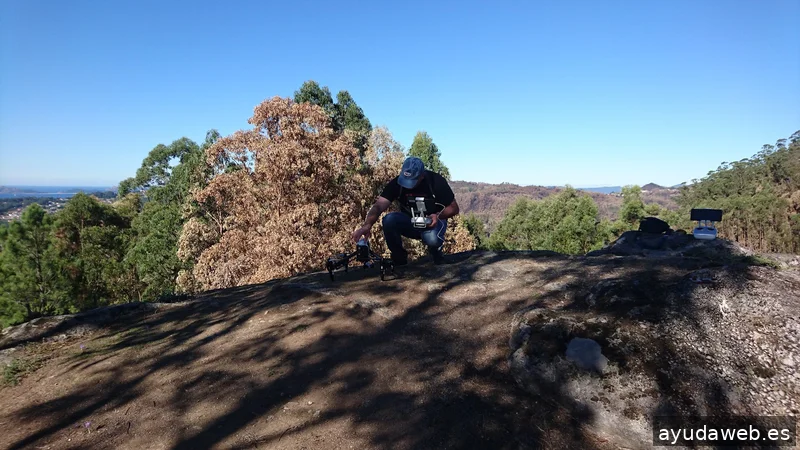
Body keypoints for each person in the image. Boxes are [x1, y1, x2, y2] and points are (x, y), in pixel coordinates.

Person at [351, 156, 460, 265]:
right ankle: (399, 258)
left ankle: (436, 252)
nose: (408, 185)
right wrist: (367, 225)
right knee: (389, 220)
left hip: (433, 222)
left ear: (422, 176)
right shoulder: (397, 184)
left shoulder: (436, 181)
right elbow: (378, 206)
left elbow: (454, 208)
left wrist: (437, 216)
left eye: (412, 181)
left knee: (431, 238)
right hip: (410, 221)